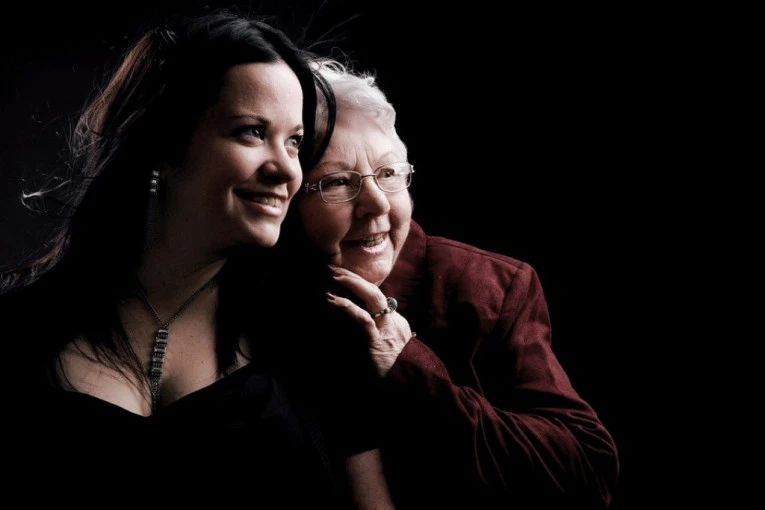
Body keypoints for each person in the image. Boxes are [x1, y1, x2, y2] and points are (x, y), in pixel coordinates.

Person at [0, 10, 383, 508]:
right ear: (164, 144)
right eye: (251, 132)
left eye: (293, 142)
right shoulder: (21, 329)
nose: (286, 169)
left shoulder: (318, 334)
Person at [270, 58, 621, 509]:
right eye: (338, 182)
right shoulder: (256, 294)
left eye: (389, 173)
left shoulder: (489, 286)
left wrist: (407, 367)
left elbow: (588, 470)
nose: (377, 204)